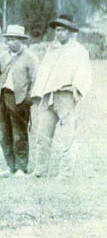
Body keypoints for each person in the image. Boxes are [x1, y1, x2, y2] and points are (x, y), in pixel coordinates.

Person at [30, 14, 92, 179]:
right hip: (49, 96)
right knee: (43, 135)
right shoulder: (51, 49)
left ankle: (65, 173)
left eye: (63, 30)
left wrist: (75, 90)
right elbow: (43, 72)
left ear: (71, 32)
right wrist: (39, 93)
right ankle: (40, 170)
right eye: (57, 30)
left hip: (66, 96)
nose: (59, 33)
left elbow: (84, 73)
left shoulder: (79, 51)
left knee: (67, 137)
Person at [0, 25, 38, 177]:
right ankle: (10, 166)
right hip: (3, 97)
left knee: (19, 134)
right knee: (4, 134)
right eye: (9, 40)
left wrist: (27, 100)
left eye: (14, 40)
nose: (11, 43)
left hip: (19, 99)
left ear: (21, 41)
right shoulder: (3, 57)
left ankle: (21, 167)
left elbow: (35, 81)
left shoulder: (30, 58)